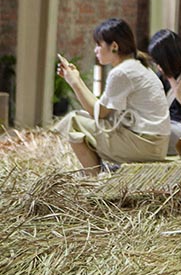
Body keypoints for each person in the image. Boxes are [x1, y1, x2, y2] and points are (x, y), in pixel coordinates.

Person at [53, 18, 170, 175]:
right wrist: (77, 80)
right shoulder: (136, 66)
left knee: (74, 121)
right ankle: (98, 175)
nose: (95, 50)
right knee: (80, 118)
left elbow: (100, 113)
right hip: (154, 143)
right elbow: (99, 109)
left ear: (114, 46)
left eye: (98, 45)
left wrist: (74, 82)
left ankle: (93, 180)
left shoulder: (122, 72)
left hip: (145, 144)